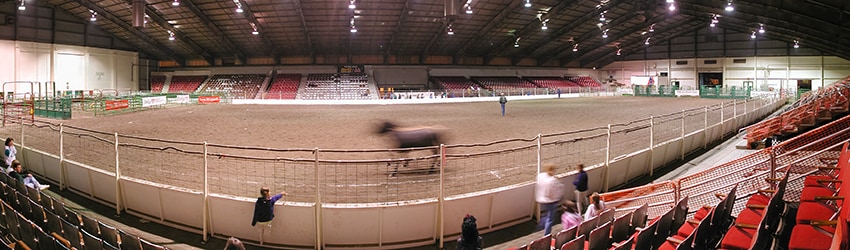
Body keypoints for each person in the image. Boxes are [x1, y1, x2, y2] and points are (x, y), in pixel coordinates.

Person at [535, 163, 564, 235]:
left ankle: (541, 226)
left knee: (547, 215)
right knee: (550, 218)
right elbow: (555, 192)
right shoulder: (552, 180)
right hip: (550, 200)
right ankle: (546, 234)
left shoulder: (541, 176)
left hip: (542, 199)